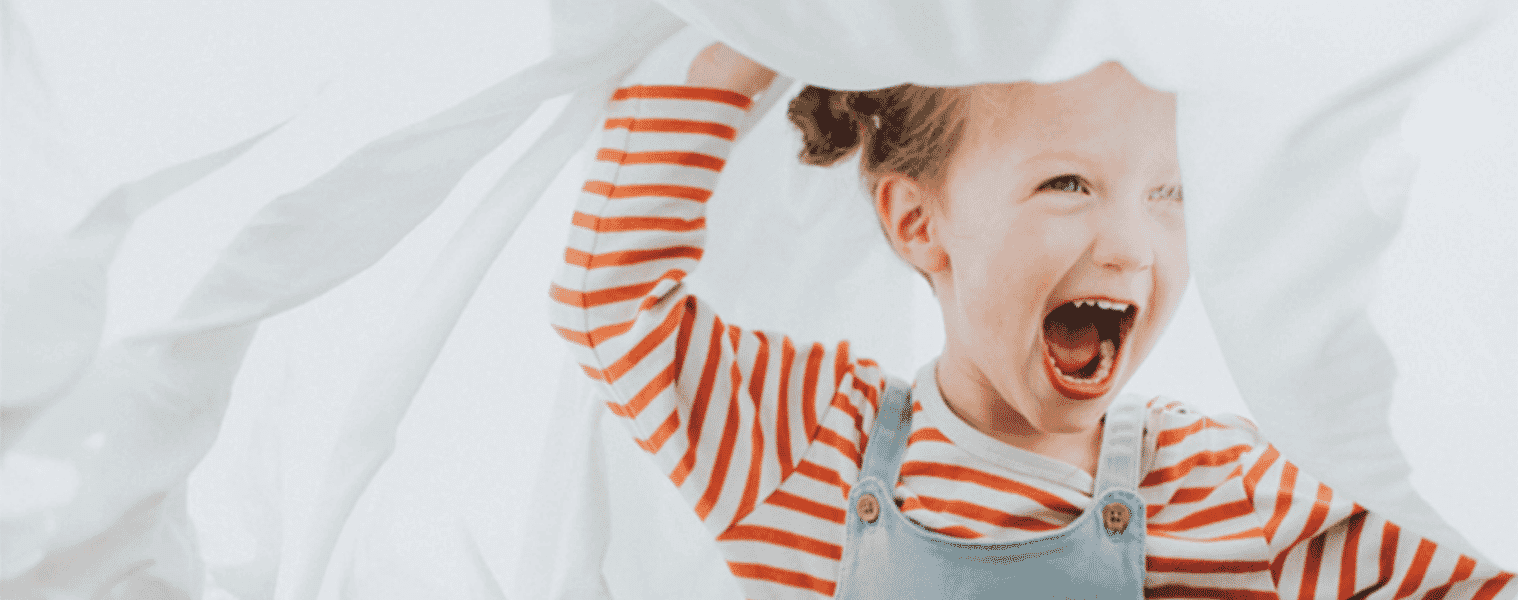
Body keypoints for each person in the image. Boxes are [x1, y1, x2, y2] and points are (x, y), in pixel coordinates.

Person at [548, 42, 1514, 599]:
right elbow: (612, 303)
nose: (1133, 243)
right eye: (1068, 183)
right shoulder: (810, 450)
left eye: (1171, 192)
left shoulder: (1230, 489)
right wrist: (747, 43)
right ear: (918, 222)